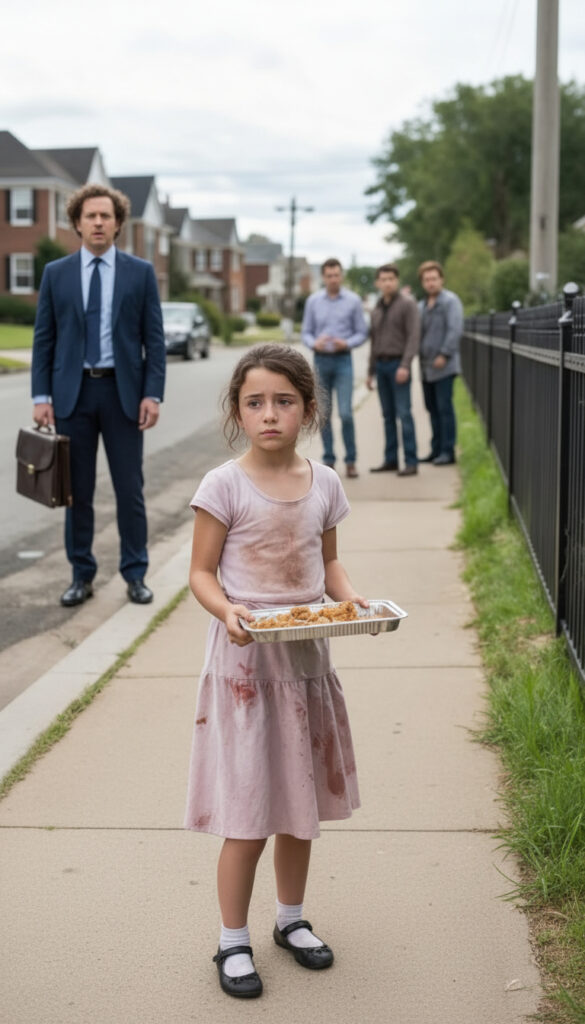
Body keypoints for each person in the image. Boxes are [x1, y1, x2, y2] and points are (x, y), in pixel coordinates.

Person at [184, 344, 365, 999]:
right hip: (244, 669)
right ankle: (232, 940)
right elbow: (200, 574)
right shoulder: (223, 486)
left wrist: (350, 600)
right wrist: (229, 611)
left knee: (299, 804)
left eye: (283, 402)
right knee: (247, 811)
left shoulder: (325, 483)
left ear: (307, 410)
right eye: (255, 402)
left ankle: (290, 920)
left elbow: (329, 566)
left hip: (306, 660)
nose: (269, 414)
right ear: (237, 411)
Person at [31, 183, 166, 607]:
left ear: (118, 223)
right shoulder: (56, 273)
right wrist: (41, 395)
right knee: (77, 494)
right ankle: (81, 575)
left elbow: (154, 340)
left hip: (123, 395)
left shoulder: (140, 272)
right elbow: (44, 340)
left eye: (106, 216)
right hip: (72, 396)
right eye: (90, 216)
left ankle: (135, 573)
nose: (98, 222)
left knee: (130, 490)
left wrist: (153, 394)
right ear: (76, 222)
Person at [301, 258, 367, 478]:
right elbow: (306, 332)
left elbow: (362, 332)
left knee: (346, 413)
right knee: (324, 413)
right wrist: (314, 343)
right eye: (329, 275)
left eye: (336, 275)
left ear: (342, 276)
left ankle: (351, 461)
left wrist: (347, 343)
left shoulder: (353, 301)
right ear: (323, 277)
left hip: (343, 360)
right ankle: (329, 459)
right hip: (321, 361)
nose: (333, 279)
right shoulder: (313, 301)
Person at [367, 263, 420, 476]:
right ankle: (390, 460)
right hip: (381, 365)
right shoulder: (377, 308)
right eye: (383, 279)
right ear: (377, 283)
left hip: (399, 365)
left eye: (391, 279)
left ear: (396, 281)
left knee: (404, 414)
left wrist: (405, 365)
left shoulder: (407, 304)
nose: (387, 283)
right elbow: (374, 341)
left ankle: (411, 461)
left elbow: (414, 336)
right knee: (387, 416)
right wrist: (370, 372)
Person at [417, 261, 463, 466]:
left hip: (445, 366)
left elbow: (455, 330)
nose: (431, 283)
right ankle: (436, 449)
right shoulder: (421, 305)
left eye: (434, 278)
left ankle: (448, 450)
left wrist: (444, 353)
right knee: (432, 408)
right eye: (427, 280)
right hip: (426, 367)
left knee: (444, 409)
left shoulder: (451, 301)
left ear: (441, 279)